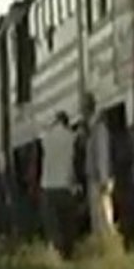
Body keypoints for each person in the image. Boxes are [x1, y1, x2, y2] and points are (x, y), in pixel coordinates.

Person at [39, 110, 79, 258]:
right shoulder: (71, 137)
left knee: (53, 232)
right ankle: (69, 257)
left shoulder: (46, 138)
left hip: (48, 190)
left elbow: (41, 132)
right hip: (66, 189)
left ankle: (57, 257)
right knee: (68, 229)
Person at [82, 93, 116, 237]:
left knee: (102, 218)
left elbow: (102, 154)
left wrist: (103, 178)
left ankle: (107, 244)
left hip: (99, 180)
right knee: (97, 218)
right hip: (95, 179)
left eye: (83, 106)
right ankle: (102, 245)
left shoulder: (98, 129)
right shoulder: (93, 129)